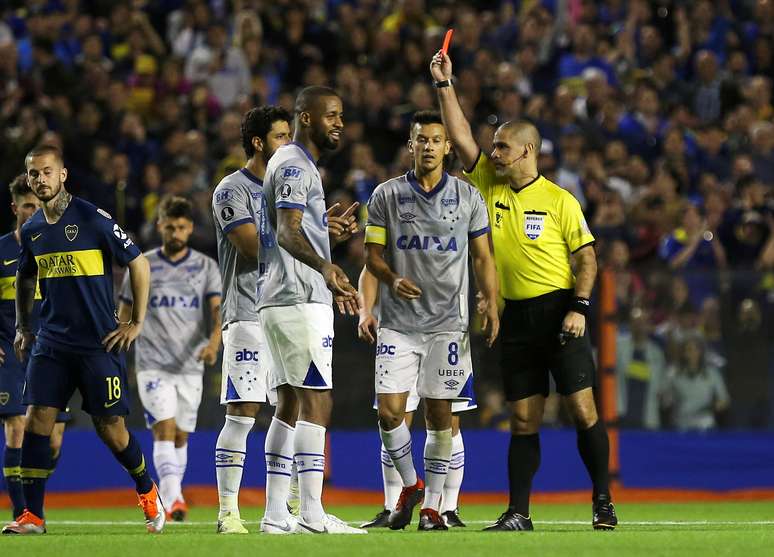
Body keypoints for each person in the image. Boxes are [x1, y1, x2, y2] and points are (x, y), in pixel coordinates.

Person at [431, 51, 617, 531]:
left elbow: (587, 258)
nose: (493, 153)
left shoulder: (560, 200)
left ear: (528, 152)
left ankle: (602, 499)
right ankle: (519, 512)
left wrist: (579, 307)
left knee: (582, 408)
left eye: (502, 147)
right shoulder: (487, 185)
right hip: (515, 317)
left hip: (559, 313)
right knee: (522, 420)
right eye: (493, 146)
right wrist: (445, 85)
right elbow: (460, 136)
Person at [2, 145, 163, 535]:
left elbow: (138, 262)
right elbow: (25, 277)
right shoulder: (34, 230)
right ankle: (33, 516)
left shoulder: (92, 218)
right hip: (51, 344)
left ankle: (146, 488)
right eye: (33, 174)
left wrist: (136, 321)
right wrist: (24, 327)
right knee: (35, 419)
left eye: (46, 172)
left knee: (111, 429)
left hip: (98, 343)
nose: (39, 180)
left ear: (63, 175)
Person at [357, 110, 498, 531]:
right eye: (422, 139)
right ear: (411, 145)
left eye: (437, 140)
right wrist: (391, 279)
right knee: (389, 414)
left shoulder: (468, 197)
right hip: (398, 324)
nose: (430, 146)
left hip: (448, 327)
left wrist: (490, 301)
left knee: (440, 419)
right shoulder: (385, 195)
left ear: (447, 147)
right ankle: (412, 485)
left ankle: (435, 509)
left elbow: (484, 257)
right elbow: (372, 258)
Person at [258, 86, 365, 535]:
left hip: (283, 296)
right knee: (318, 401)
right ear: (306, 117)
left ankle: (276, 514)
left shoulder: (293, 166)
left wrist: (325, 236)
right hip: (297, 298)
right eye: (332, 115)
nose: (339, 123)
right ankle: (314, 516)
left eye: (341, 115)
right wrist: (325, 264)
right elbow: (286, 232)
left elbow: (295, 231)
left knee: (287, 403)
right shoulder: (296, 165)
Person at [210, 105, 292, 534]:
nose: (289, 144)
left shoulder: (290, 190)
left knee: (293, 407)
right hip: (247, 313)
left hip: (289, 311)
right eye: (281, 136)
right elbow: (248, 247)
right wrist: (302, 238)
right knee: (243, 411)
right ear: (259, 143)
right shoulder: (231, 189)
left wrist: (322, 232)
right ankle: (228, 511)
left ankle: (285, 509)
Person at [117, 195, 222, 522]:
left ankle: (172, 492)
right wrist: (121, 350)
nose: (175, 232)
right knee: (163, 427)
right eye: (169, 226)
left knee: (180, 434)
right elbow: (124, 310)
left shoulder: (206, 267)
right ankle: (175, 498)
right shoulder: (142, 263)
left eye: (181, 227)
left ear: (190, 229)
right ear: (159, 225)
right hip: (152, 362)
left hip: (190, 363)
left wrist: (214, 343)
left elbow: (217, 312)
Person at [0, 174, 69, 522]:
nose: (32, 211)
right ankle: (23, 512)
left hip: (54, 351)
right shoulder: (1, 251)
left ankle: (30, 496)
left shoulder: (54, 244)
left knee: (52, 440)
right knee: (16, 427)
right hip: (9, 353)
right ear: (15, 208)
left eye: (36, 205)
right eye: (26, 206)